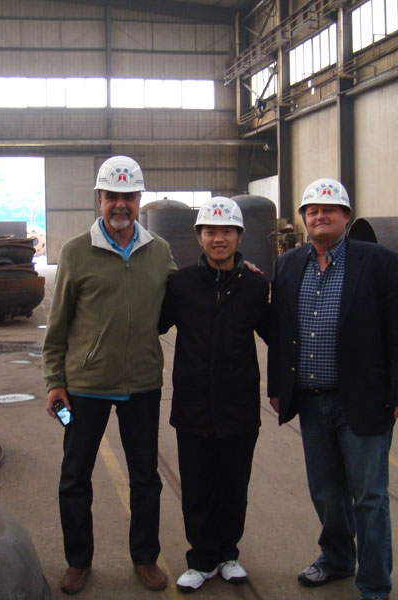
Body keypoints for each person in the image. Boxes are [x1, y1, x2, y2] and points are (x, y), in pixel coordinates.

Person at [267, 178, 398, 600]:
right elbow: (280, 332)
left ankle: (374, 584)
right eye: (312, 210)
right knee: (326, 492)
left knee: (369, 496)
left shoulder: (379, 262)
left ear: (346, 216)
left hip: (364, 400)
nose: (320, 216)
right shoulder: (288, 265)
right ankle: (335, 559)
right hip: (310, 401)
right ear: (304, 218)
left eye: (329, 210)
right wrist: (278, 386)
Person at [42, 155, 175, 595]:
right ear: (99, 199)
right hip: (86, 387)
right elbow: (57, 325)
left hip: (142, 385)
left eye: (128, 197)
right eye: (112, 196)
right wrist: (54, 381)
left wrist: (237, 271)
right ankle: (78, 561)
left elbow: (184, 297)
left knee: (146, 478)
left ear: (139, 200)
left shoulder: (159, 251)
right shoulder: (76, 252)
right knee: (74, 477)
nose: (120, 205)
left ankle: (145, 558)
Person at [158, 197, 269, 593]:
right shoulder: (181, 285)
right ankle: (201, 559)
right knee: (197, 486)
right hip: (193, 407)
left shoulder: (255, 285)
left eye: (226, 231)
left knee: (234, 485)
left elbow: (275, 332)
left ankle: (228, 555)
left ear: (239, 236)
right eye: (210, 231)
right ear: (199, 237)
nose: (218, 238)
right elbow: (154, 324)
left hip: (240, 407)